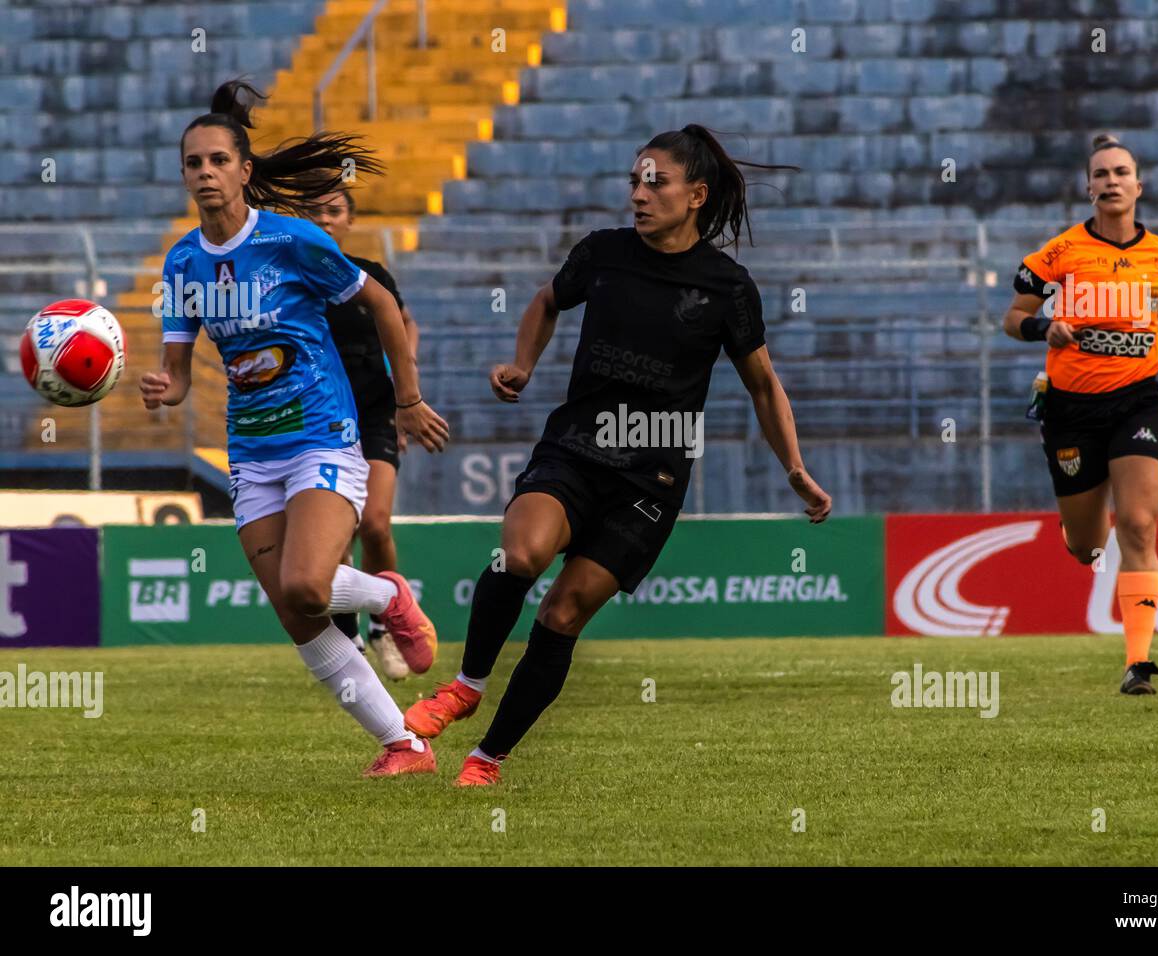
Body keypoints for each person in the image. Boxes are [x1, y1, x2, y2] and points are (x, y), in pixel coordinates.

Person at [404, 124, 833, 786]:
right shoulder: (602, 254)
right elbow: (548, 300)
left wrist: (795, 468)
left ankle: (487, 758)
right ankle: (465, 686)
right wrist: (522, 364)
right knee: (520, 554)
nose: (638, 194)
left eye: (654, 182)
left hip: (653, 474)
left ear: (696, 194)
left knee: (563, 612)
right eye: (634, 181)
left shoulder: (727, 287)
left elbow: (763, 384)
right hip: (576, 445)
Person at [140, 80, 450, 776]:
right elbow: (181, 368)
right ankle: (405, 745)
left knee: (309, 584)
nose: (206, 173)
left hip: (321, 434)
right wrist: (166, 387)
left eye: (219, 160)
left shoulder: (292, 240)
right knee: (295, 613)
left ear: (245, 170)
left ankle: (392, 595)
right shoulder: (183, 263)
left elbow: (381, 305)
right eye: (194, 163)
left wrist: (407, 399)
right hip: (251, 453)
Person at [1003, 134, 1158, 695]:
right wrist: (1047, 327)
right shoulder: (1059, 253)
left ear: (1138, 186)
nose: (1111, 181)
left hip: (1137, 401)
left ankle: (1138, 662)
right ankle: (1079, 535)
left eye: (1121, 172)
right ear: (1088, 187)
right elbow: (1012, 317)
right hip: (1071, 411)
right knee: (1088, 545)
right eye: (1101, 174)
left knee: (1139, 526)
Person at [310, 187, 418, 680]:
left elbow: (404, 323)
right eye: (315, 213)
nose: (325, 220)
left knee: (374, 523)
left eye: (334, 212)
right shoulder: (292, 279)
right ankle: (348, 630)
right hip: (319, 419)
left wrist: (407, 388)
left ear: (350, 220)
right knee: (339, 530)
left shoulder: (370, 275)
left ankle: (386, 623)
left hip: (374, 412)